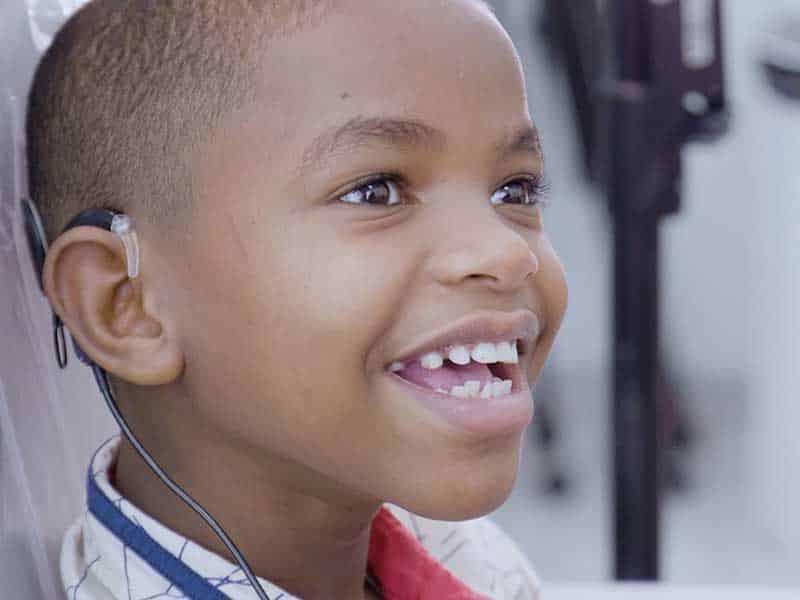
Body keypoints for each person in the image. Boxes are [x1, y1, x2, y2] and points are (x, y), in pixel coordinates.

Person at [26, 0, 569, 598]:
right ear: (127, 306)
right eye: (376, 192)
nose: (507, 253)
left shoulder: (459, 553)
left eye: (514, 189)